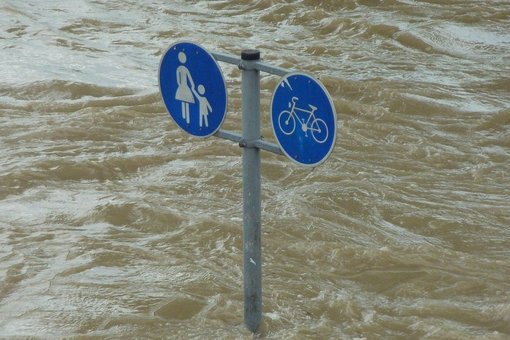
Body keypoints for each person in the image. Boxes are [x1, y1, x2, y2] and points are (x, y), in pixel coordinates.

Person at [175, 52, 195, 124]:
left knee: (184, 100)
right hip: (184, 86)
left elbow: (180, 79)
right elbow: (189, 78)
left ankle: (185, 118)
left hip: (182, 86)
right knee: (185, 100)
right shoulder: (182, 68)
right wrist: (192, 85)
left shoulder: (179, 68)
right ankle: (185, 119)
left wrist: (180, 85)